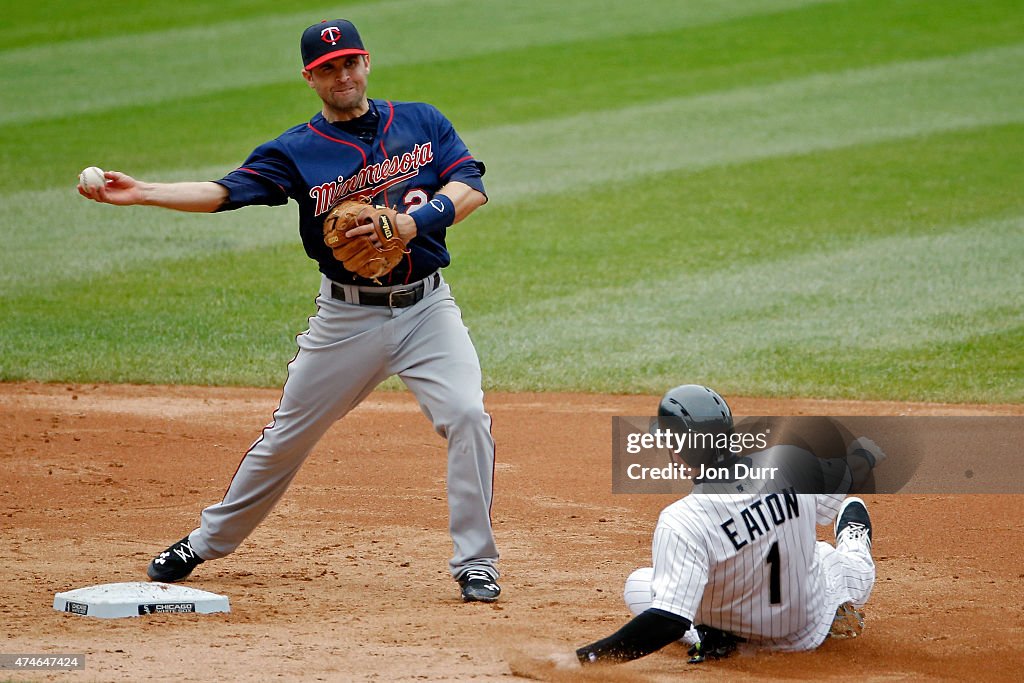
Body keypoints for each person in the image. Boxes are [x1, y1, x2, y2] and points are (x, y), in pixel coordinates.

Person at [77, 18, 501, 603]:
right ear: (311, 78)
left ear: (367, 63)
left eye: (350, 63)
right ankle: (204, 542)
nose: (342, 75)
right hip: (347, 320)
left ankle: (475, 562)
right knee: (287, 437)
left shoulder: (423, 121)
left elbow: (471, 184)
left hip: (428, 310)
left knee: (467, 416)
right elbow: (225, 192)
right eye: (328, 68)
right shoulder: (296, 151)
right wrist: (143, 191)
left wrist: (409, 224)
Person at [563, 385, 878, 667]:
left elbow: (667, 622)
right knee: (836, 559)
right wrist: (864, 455)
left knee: (641, 586)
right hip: (810, 625)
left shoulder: (683, 520)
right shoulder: (791, 461)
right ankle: (853, 540)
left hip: (743, 637)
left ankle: (713, 637)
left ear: (676, 450)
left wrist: (587, 659)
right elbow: (847, 478)